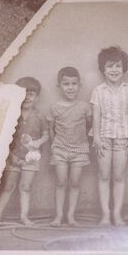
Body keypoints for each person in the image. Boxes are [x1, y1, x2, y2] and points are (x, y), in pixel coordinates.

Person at [0, 76, 48, 226]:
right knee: (9, 186)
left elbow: (46, 135)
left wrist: (38, 142)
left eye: (31, 94)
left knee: (25, 187)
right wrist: (10, 156)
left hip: (32, 157)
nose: (27, 97)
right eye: (23, 93)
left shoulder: (40, 116)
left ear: (37, 97)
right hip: (13, 157)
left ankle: (24, 217)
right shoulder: (11, 116)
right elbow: (4, 139)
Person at [91, 46, 128, 226]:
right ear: (103, 69)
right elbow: (96, 116)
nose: (114, 70)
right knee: (103, 175)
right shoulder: (98, 91)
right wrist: (96, 137)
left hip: (123, 139)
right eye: (110, 66)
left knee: (119, 176)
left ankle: (117, 214)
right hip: (102, 138)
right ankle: (105, 214)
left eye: (118, 66)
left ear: (124, 68)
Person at [47, 67, 91, 226]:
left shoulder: (85, 107)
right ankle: (58, 216)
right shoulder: (54, 107)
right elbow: (51, 129)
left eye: (74, 83)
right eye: (66, 84)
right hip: (59, 150)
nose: (70, 87)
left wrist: (82, 142)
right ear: (59, 85)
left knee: (75, 182)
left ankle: (71, 216)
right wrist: (54, 146)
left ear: (79, 85)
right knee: (60, 182)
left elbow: (88, 127)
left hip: (79, 150)